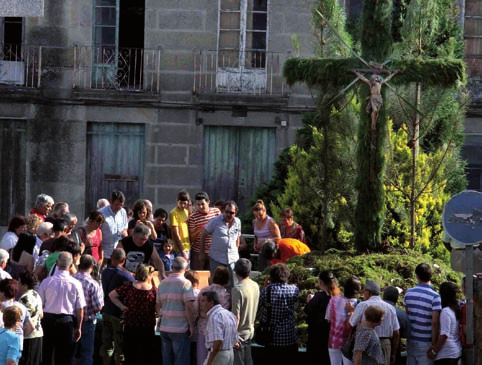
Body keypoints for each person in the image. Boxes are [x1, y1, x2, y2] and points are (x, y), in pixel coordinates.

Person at [38, 252, 86, 365]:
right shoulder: (76, 284)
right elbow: (80, 309)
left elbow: (39, 303)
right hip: (66, 321)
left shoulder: (47, 282)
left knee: (46, 353)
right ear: (71, 266)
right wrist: (78, 327)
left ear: (56, 264)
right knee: (65, 355)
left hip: (48, 319)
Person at [109, 263, 157, 365]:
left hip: (131, 324)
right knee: (146, 354)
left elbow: (112, 295)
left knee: (130, 354)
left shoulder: (130, 286)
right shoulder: (153, 291)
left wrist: (122, 306)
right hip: (147, 326)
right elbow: (157, 309)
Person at [156, 257, 196, 365]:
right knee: (181, 359)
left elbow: (158, 306)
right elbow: (189, 307)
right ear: (186, 268)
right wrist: (191, 326)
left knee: (167, 359)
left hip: (164, 326)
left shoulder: (162, 283)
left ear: (172, 267)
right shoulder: (185, 283)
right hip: (180, 328)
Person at [349, 281, 400, 365]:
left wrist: (351, 312)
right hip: (385, 344)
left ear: (369, 292)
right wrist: (393, 353)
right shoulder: (390, 308)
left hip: (365, 343)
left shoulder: (363, 305)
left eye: (364, 291)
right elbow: (396, 333)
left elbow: (351, 324)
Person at [258, 263, 299, 363]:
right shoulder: (295, 290)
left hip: (271, 338)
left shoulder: (266, 291)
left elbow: (258, 305)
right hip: (289, 337)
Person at [100, 248, 135, 365]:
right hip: (119, 314)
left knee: (106, 345)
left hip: (106, 312)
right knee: (120, 347)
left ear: (111, 257)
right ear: (124, 260)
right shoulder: (125, 276)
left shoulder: (105, 272)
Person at [403, 263, 442, 365]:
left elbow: (407, 317)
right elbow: (435, 323)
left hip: (411, 340)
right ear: (431, 276)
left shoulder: (408, 293)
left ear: (416, 275)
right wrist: (434, 344)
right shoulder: (435, 296)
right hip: (426, 342)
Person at [200, 201, 241, 285]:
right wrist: (202, 253)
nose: (228, 214)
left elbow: (238, 237)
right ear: (223, 211)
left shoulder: (238, 222)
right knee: (216, 284)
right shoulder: (215, 221)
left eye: (231, 213)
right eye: (226, 212)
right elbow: (203, 234)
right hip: (217, 258)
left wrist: (236, 250)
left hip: (232, 260)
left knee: (232, 285)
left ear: (235, 212)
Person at [73, 255, 104, 365]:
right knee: (86, 353)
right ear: (92, 266)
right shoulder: (93, 284)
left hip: (72, 320)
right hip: (88, 321)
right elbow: (98, 307)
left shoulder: (72, 279)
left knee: (71, 352)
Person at [197, 267, 231, 365]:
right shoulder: (226, 295)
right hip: (217, 332)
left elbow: (196, 309)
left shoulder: (203, 290)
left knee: (201, 359)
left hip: (202, 328)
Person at [326, 276, 362, 365]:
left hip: (334, 340)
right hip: (350, 344)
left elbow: (328, 320)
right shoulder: (359, 304)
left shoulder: (333, 300)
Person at [305, 270, 340, 364]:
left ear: (320, 282)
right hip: (332, 336)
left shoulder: (319, 297)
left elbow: (308, 310)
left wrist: (309, 301)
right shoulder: (338, 296)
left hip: (316, 335)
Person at [231, 258, 260, 365]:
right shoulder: (255, 285)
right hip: (250, 331)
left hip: (239, 335)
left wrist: (233, 336)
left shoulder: (237, 289)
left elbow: (236, 315)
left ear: (236, 271)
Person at [427, 282, 462, 365]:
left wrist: (434, 351)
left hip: (446, 355)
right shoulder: (454, 310)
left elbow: (444, 335)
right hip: (456, 351)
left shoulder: (445, 312)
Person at [200, 291, 238, 365]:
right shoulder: (228, 314)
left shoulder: (215, 316)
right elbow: (235, 338)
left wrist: (210, 361)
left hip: (219, 355)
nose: (201, 304)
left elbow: (218, 341)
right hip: (230, 353)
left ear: (211, 302)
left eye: (203, 301)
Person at [0, 278, 34, 355]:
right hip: (17, 344)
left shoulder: (1, 307)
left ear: (3, 292)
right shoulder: (22, 307)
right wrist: (21, 335)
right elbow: (31, 327)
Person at [188, 192, 221, 270]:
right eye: (198, 205)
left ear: (208, 202)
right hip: (198, 251)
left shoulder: (216, 212)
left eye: (202, 204)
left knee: (212, 275)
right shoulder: (193, 217)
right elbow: (191, 238)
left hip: (213, 251)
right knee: (197, 275)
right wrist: (200, 230)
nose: (200, 207)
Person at [18, 271, 43, 365]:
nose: (17, 283)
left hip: (28, 335)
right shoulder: (36, 294)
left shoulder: (24, 299)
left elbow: (22, 320)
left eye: (19, 282)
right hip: (38, 333)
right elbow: (41, 314)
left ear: (25, 285)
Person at [99, 190, 129, 265]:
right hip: (104, 252)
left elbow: (125, 226)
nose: (119, 207)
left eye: (121, 205)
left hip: (118, 252)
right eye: (116, 205)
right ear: (111, 202)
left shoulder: (123, 212)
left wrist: (125, 232)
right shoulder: (101, 213)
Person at [383, 286, 410, 365]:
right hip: (394, 348)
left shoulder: (374, 308)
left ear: (383, 296)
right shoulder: (402, 314)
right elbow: (406, 334)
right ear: (397, 299)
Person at [252, 200, 281, 271]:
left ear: (265, 211)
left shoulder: (270, 222)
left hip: (271, 252)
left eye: (261, 215)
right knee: (261, 271)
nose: (259, 218)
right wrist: (255, 244)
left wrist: (265, 241)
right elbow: (256, 235)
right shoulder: (254, 222)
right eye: (256, 216)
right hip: (261, 252)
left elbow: (279, 238)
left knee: (270, 271)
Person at [169, 190, 191, 260]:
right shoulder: (174, 213)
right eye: (180, 203)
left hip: (187, 246)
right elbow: (176, 233)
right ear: (177, 201)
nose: (182, 205)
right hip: (179, 249)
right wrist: (182, 251)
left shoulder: (186, 212)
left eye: (184, 203)